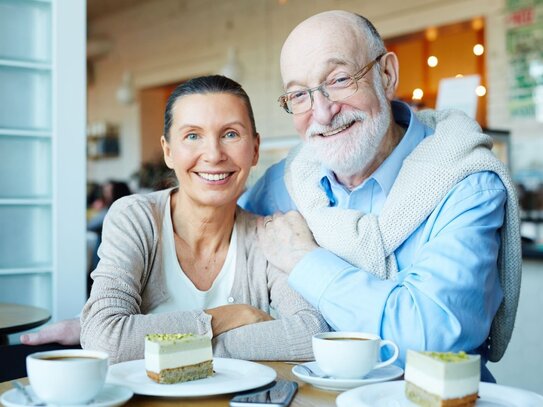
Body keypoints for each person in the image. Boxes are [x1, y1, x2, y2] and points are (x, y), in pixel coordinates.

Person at [240, 10, 521, 381]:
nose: (322, 113)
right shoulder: (286, 182)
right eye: (299, 95)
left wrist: (305, 261)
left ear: (386, 76)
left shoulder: (465, 180)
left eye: (339, 80)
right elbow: (221, 252)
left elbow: (432, 340)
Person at [22, 75, 328, 364]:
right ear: (168, 151)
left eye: (231, 134)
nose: (213, 154)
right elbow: (106, 339)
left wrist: (158, 345)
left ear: (255, 149)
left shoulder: (268, 236)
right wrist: (231, 316)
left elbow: (311, 335)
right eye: (193, 135)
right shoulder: (136, 218)